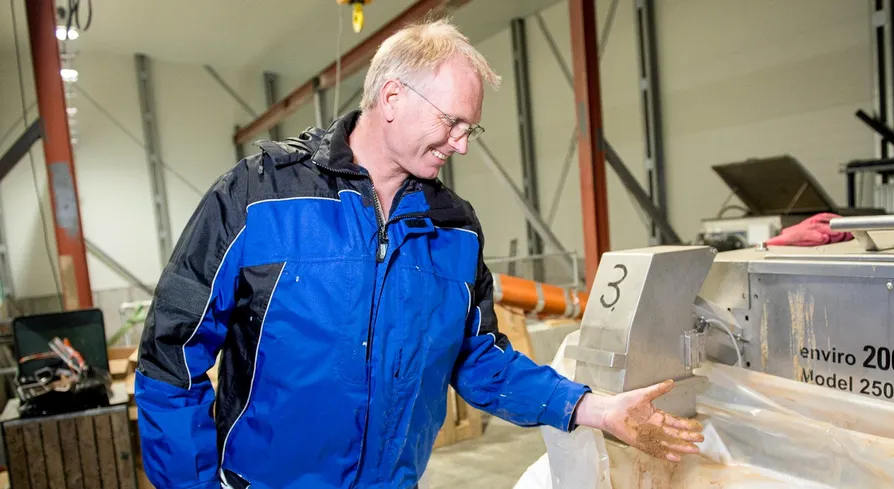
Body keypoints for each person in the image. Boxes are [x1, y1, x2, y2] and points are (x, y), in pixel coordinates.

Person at [134, 18, 704, 489]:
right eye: (452, 121)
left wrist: (593, 408)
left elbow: (478, 358)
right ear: (392, 96)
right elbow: (170, 360)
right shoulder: (257, 198)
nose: (460, 143)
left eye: (470, 129)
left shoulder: (454, 228)